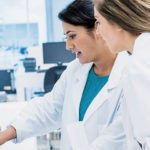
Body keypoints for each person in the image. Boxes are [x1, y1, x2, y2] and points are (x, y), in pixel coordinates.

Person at [0, 0, 129, 150]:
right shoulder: (75, 70)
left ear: (97, 28)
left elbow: (118, 139)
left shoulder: (130, 74)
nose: (68, 46)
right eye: (66, 38)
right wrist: (5, 135)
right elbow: (50, 109)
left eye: (72, 36)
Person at [93, 0, 150, 149]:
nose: (98, 32)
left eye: (99, 22)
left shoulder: (138, 64)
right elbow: (120, 131)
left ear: (117, 21)